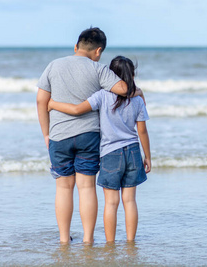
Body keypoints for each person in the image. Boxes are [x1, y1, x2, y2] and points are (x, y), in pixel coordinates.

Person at [36, 27, 137, 244]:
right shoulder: (98, 69)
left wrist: (46, 134)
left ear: (76, 46)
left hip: (59, 134)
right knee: (86, 187)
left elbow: (40, 101)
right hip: (88, 136)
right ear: (98, 51)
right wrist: (138, 92)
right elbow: (124, 89)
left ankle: (64, 239)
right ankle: (88, 239)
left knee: (63, 187)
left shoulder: (53, 65)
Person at [48, 56, 151, 242]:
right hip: (134, 152)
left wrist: (53, 104)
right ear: (132, 75)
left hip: (110, 153)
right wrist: (148, 157)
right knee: (130, 201)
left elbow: (77, 110)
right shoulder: (137, 100)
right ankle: (130, 242)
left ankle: (110, 243)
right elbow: (142, 131)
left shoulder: (102, 96)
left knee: (111, 203)